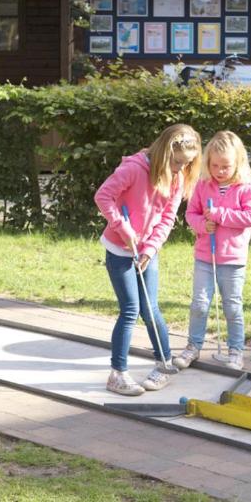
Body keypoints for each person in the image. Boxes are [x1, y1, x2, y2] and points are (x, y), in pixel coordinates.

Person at [94, 124, 202, 395]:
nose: (180, 169)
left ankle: (165, 364)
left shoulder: (177, 178)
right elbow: (103, 196)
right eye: (177, 162)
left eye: (186, 164)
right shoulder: (133, 169)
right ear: (165, 152)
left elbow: (167, 219)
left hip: (145, 252)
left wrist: (151, 248)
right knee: (130, 309)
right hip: (120, 249)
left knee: (151, 308)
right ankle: (117, 374)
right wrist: (122, 227)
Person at [176, 131, 251, 371]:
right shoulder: (203, 185)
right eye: (214, 165)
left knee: (232, 306)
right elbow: (191, 214)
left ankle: (236, 350)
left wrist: (220, 215)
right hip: (205, 256)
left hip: (232, 259)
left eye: (226, 166)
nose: (220, 171)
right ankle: (193, 346)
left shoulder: (246, 187)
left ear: (238, 163)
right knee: (200, 304)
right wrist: (203, 225)